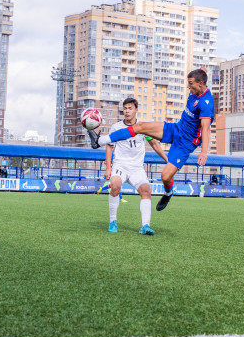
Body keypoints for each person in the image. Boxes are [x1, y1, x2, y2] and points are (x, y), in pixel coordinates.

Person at [88, 68, 214, 212]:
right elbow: (200, 75)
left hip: (185, 143)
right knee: (140, 126)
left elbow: (206, 128)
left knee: (165, 176)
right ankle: (100, 141)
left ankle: (168, 192)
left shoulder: (206, 103)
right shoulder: (195, 90)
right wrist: (202, 70)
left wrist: (204, 152)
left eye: (190, 83)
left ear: (201, 83)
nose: (187, 86)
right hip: (176, 129)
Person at [104, 98, 169, 235]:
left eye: (130, 108)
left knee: (146, 190)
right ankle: (113, 221)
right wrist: (108, 168)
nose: (127, 111)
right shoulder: (116, 127)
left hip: (136, 168)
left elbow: (155, 145)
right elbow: (109, 147)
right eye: (125, 108)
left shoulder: (143, 128)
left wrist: (167, 161)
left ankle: (145, 226)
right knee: (115, 186)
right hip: (120, 165)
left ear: (136, 110)